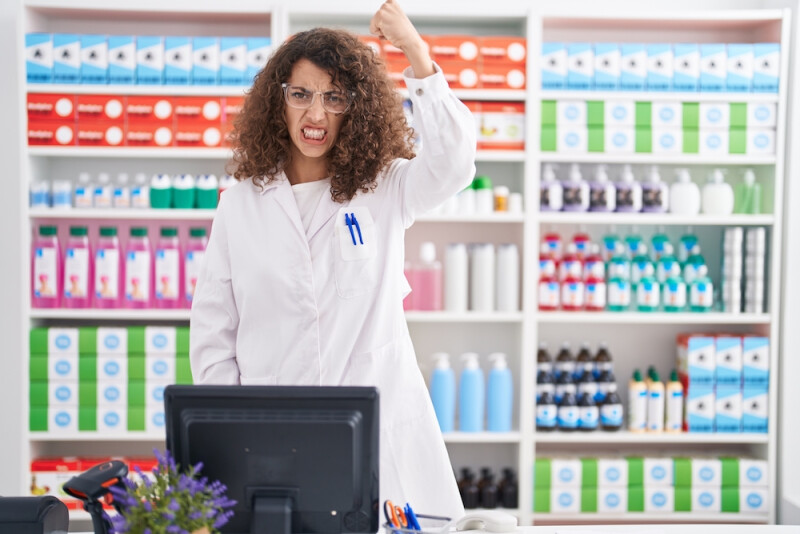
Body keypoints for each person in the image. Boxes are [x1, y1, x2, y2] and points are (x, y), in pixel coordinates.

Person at [190, 0, 475, 520]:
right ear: (278, 101)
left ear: (356, 107)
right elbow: (214, 334)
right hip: (272, 439)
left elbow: (454, 166)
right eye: (300, 95)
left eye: (334, 98)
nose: (315, 114)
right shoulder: (240, 205)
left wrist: (416, 51)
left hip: (380, 436)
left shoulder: (385, 187)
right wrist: (230, 434)